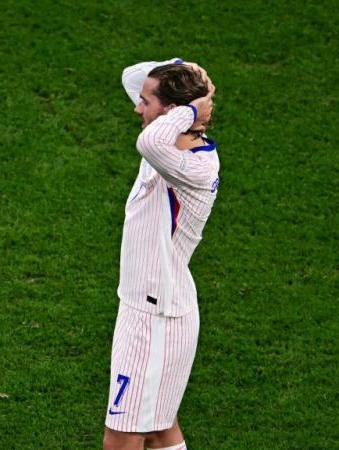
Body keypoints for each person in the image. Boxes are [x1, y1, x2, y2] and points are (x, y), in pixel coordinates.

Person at [103, 57, 218, 450]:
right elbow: (130, 78)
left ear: (171, 112)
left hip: (156, 319)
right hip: (151, 309)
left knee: (122, 437)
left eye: (146, 102)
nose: (137, 107)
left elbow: (148, 140)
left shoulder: (190, 165)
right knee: (158, 426)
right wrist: (186, 69)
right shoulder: (169, 145)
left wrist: (189, 108)